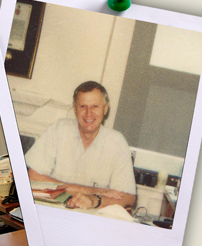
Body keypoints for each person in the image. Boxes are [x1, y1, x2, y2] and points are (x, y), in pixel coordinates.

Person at [25, 81, 136, 211]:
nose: (89, 113)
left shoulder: (117, 142)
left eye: (95, 106)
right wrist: (92, 190)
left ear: (105, 108)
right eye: (83, 106)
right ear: (75, 109)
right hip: (53, 211)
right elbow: (32, 178)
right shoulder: (59, 129)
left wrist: (94, 200)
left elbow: (128, 198)